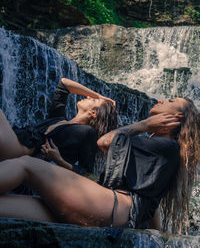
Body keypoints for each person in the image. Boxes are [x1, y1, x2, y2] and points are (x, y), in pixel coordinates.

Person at [0, 97, 199, 234]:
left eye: (171, 102)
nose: (163, 101)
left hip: (110, 208)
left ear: (177, 118)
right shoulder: (158, 150)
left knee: (27, 165)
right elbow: (151, 203)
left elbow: (105, 142)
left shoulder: (168, 146)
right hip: (103, 208)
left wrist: (145, 124)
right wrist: (157, 235)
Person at [0, 78, 118, 175]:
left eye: (93, 100)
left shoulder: (88, 132)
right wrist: (98, 96)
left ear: (93, 113)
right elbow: (64, 84)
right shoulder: (58, 118)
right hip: (12, 145)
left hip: (18, 153)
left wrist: (59, 160)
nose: (88, 97)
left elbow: (86, 172)